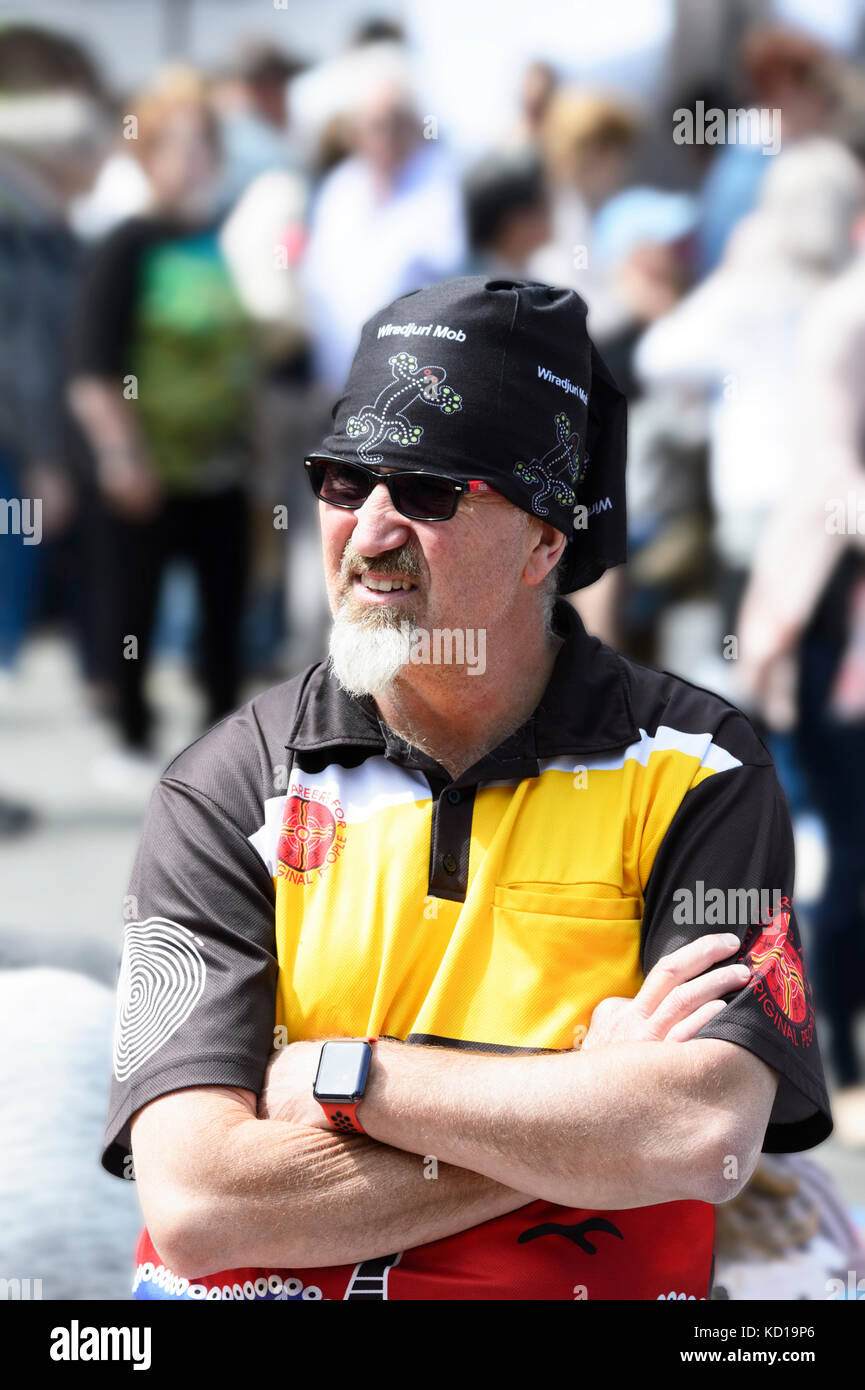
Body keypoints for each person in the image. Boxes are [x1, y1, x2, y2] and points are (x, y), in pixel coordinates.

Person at [103, 277, 831, 1301]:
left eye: (431, 491)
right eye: (342, 480)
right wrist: (585, 1110)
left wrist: (344, 1076)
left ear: (545, 539)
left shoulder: (700, 766)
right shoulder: (223, 786)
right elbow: (194, 1204)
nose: (370, 529)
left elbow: (700, 1136)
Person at [68, 67, 258, 783]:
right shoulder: (125, 244)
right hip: (146, 467)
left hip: (222, 467)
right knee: (133, 610)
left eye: (202, 146)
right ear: (147, 156)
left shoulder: (220, 239)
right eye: (176, 147)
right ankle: (130, 737)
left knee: (224, 616)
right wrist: (120, 455)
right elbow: (90, 364)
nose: (192, 161)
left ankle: (223, 756)